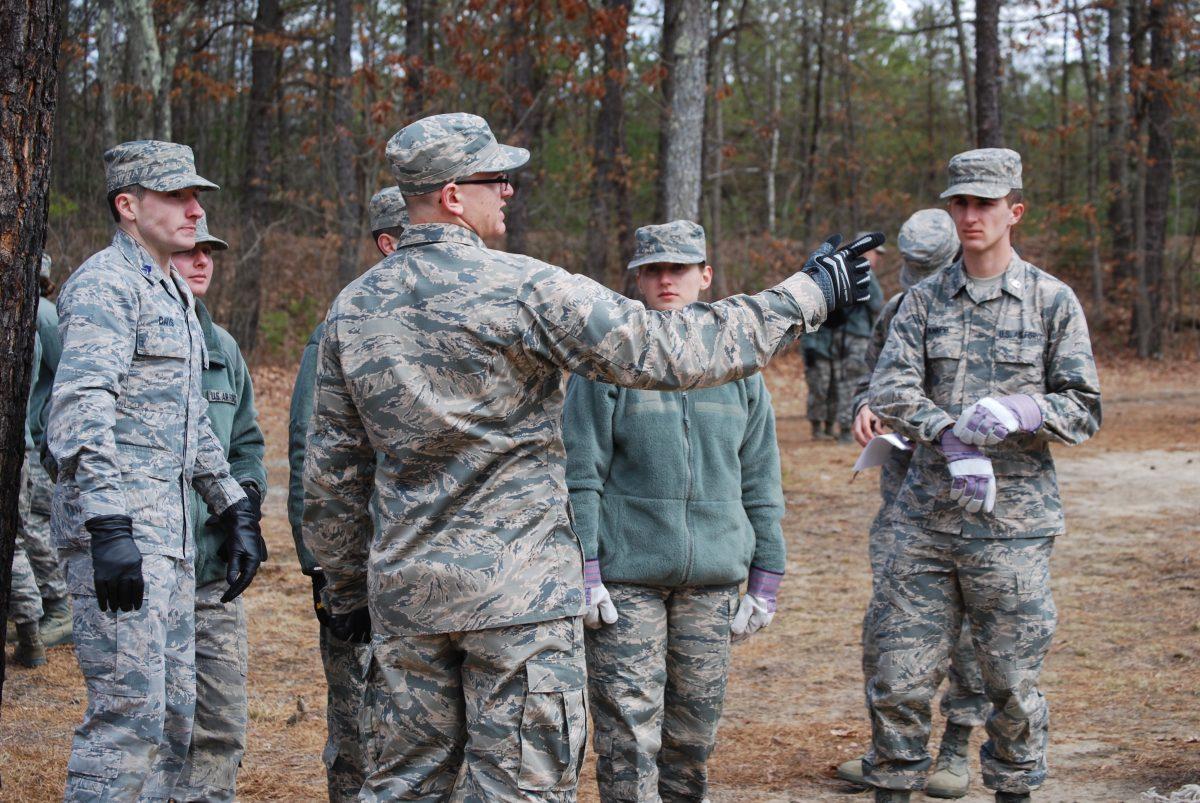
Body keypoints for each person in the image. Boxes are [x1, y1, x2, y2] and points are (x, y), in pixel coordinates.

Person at [302, 112, 877, 800]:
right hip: (520, 605)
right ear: (453, 195)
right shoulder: (523, 288)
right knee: (521, 788)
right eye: (497, 179)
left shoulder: (352, 308)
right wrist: (809, 292)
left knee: (405, 786)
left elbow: (333, 475)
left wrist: (344, 594)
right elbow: (669, 350)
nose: (509, 191)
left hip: (407, 601)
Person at [863, 149, 1101, 803]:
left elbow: (1084, 406)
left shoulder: (1052, 301)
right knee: (899, 678)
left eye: (984, 204)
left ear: (1013, 212)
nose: (970, 215)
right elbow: (890, 385)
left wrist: (1025, 409)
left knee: (1011, 684)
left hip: (1013, 528)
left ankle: (1013, 791)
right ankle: (892, 788)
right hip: (925, 524)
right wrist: (948, 433)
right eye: (960, 203)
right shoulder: (921, 301)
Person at [47, 140, 264, 801]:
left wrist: (232, 506)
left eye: (196, 197)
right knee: (126, 721)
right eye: (177, 196)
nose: (195, 210)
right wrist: (108, 524)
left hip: (167, 545)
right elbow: (83, 408)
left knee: (174, 722)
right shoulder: (106, 285)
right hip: (120, 541)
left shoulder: (170, 290)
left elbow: (193, 422)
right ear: (128, 204)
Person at [562, 220, 786, 802]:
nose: (667, 281)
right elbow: (580, 474)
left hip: (711, 580)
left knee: (693, 732)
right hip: (625, 581)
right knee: (629, 734)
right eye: (654, 270)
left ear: (704, 276)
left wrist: (767, 575)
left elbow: (760, 479)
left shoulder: (741, 371)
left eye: (679, 269)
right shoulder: (605, 365)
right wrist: (585, 568)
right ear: (637, 280)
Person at [837, 209, 990, 798]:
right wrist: (863, 411)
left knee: (972, 636)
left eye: (931, 267)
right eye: (913, 267)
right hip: (903, 503)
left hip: (972, 502)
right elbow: (869, 382)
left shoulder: (988, 311)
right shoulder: (898, 311)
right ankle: (891, 750)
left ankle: (955, 748)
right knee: (891, 632)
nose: (920, 277)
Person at [287, 185, 407, 802]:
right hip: (355, 570)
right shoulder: (341, 328)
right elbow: (315, 456)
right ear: (388, 244)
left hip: (419, 567)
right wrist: (330, 575)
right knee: (358, 728)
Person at [169, 215, 268, 802]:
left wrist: (244, 511)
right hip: (152, 571)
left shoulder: (222, 347)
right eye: (189, 252)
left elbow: (247, 444)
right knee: (156, 729)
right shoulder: (130, 337)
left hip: (212, 577)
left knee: (221, 727)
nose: (202, 261)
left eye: (209, 251)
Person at [24, 253, 73, 648]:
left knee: (36, 526)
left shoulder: (43, 316)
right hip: (30, 436)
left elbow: (66, 377)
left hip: (38, 437)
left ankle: (59, 608)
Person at [10, 328, 47, 667]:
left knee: (11, 542)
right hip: (20, 447)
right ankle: (29, 634)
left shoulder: (18, 321)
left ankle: (30, 636)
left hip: (14, 446)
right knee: (15, 540)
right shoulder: (27, 327)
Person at [831, 238, 884, 441]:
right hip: (857, 335)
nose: (877, 258)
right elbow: (877, 302)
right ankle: (848, 428)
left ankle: (844, 426)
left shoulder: (843, 270)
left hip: (842, 335)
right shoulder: (865, 272)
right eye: (876, 253)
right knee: (854, 381)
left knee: (844, 379)